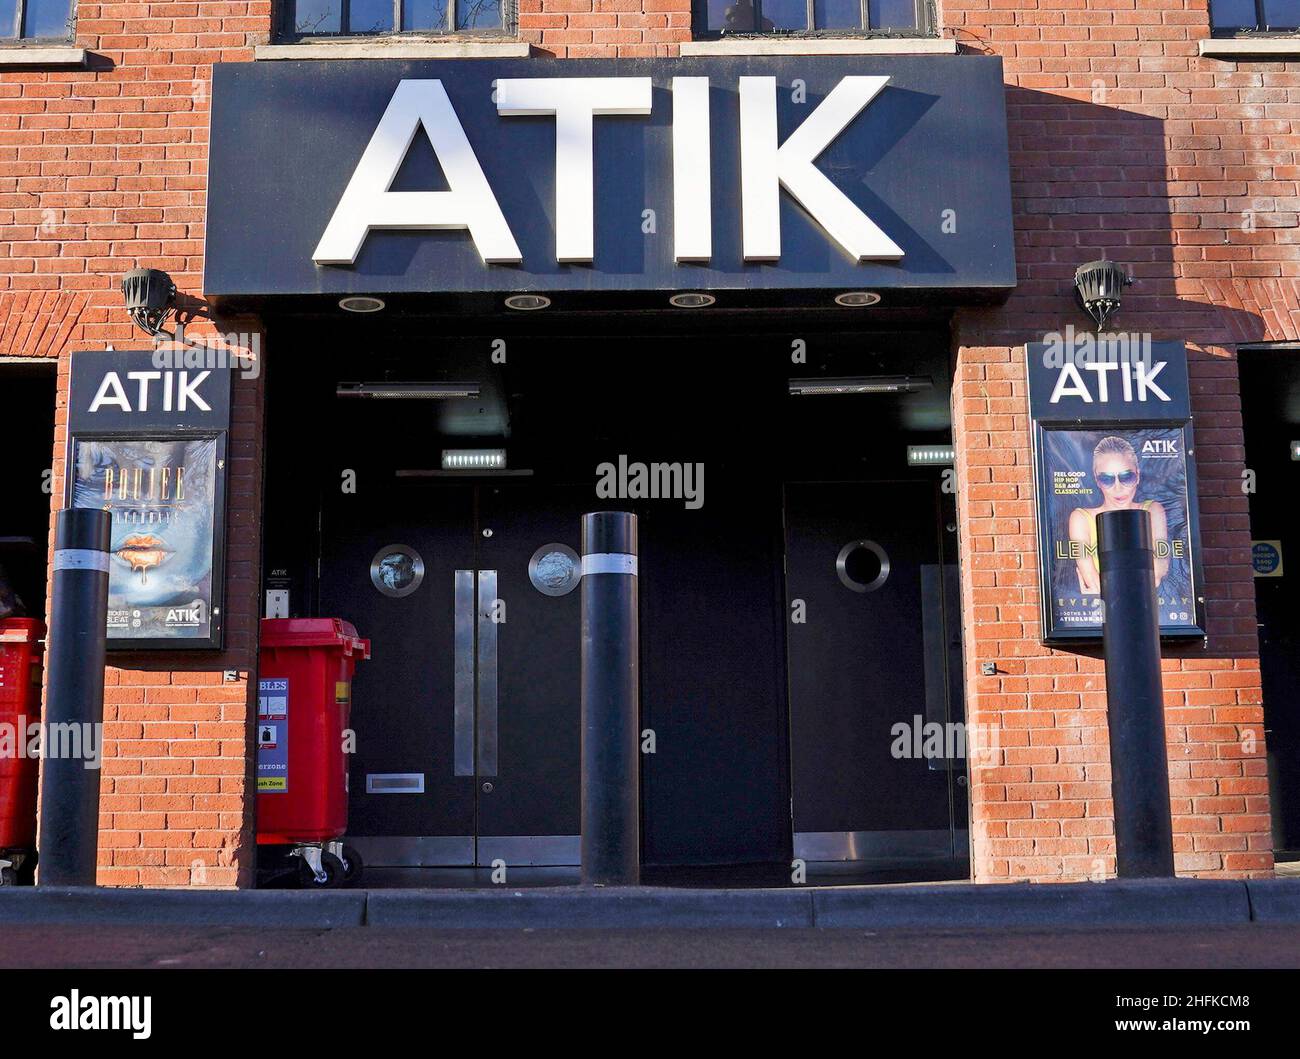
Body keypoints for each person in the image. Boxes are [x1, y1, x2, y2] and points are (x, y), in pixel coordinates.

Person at [1068, 435, 1169, 595]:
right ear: (1096, 480)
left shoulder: (1153, 510)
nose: (1118, 488)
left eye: (1126, 477)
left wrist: (1110, 592)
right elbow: (1091, 579)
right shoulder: (1081, 519)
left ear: (1138, 475)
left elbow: (1158, 571)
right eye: (1107, 479)